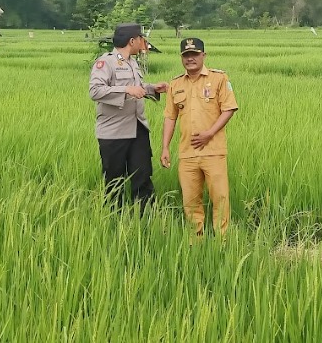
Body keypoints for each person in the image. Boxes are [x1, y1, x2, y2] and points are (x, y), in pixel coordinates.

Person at [160, 38, 238, 237]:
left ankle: (222, 241)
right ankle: (197, 242)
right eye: (186, 56)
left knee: (220, 198)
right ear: (181, 58)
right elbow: (170, 117)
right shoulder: (175, 84)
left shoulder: (219, 79)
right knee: (191, 202)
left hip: (213, 151)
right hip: (187, 154)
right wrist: (165, 147)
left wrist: (209, 134)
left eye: (194, 54)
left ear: (204, 55)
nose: (190, 59)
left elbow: (229, 109)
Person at [89, 22, 167, 211]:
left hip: (137, 128)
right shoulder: (105, 62)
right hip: (114, 133)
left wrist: (152, 88)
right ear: (133, 40)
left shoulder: (133, 63)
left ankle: (146, 217)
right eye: (141, 38)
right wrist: (126, 89)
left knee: (143, 176)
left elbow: (136, 89)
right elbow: (95, 90)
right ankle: (114, 220)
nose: (143, 42)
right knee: (114, 181)